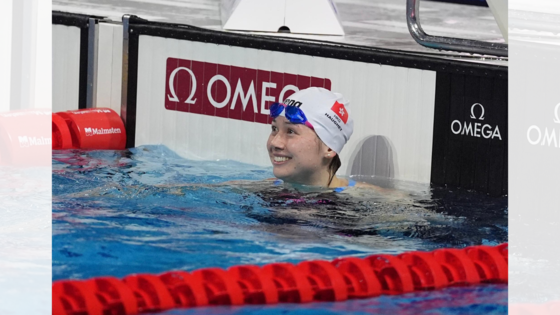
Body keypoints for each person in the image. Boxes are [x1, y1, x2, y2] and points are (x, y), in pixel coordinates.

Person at [265, 87, 380, 193]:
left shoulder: (368, 198)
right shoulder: (262, 188)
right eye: (274, 129)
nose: (275, 142)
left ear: (329, 147)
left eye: (291, 131)